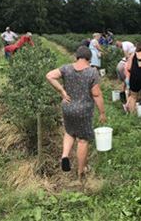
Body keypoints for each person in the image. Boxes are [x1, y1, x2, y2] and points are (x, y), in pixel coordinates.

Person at [46, 46, 106, 181]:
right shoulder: (92, 72)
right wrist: (102, 112)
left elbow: (49, 76)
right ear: (89, 59)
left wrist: (62, 91)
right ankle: (81, 171)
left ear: (76, 56)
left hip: (67, 107)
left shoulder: (66, 68)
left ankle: (65, 156)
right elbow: (96, 94)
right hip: (83, 111)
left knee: (69, 132)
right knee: (83, 140)